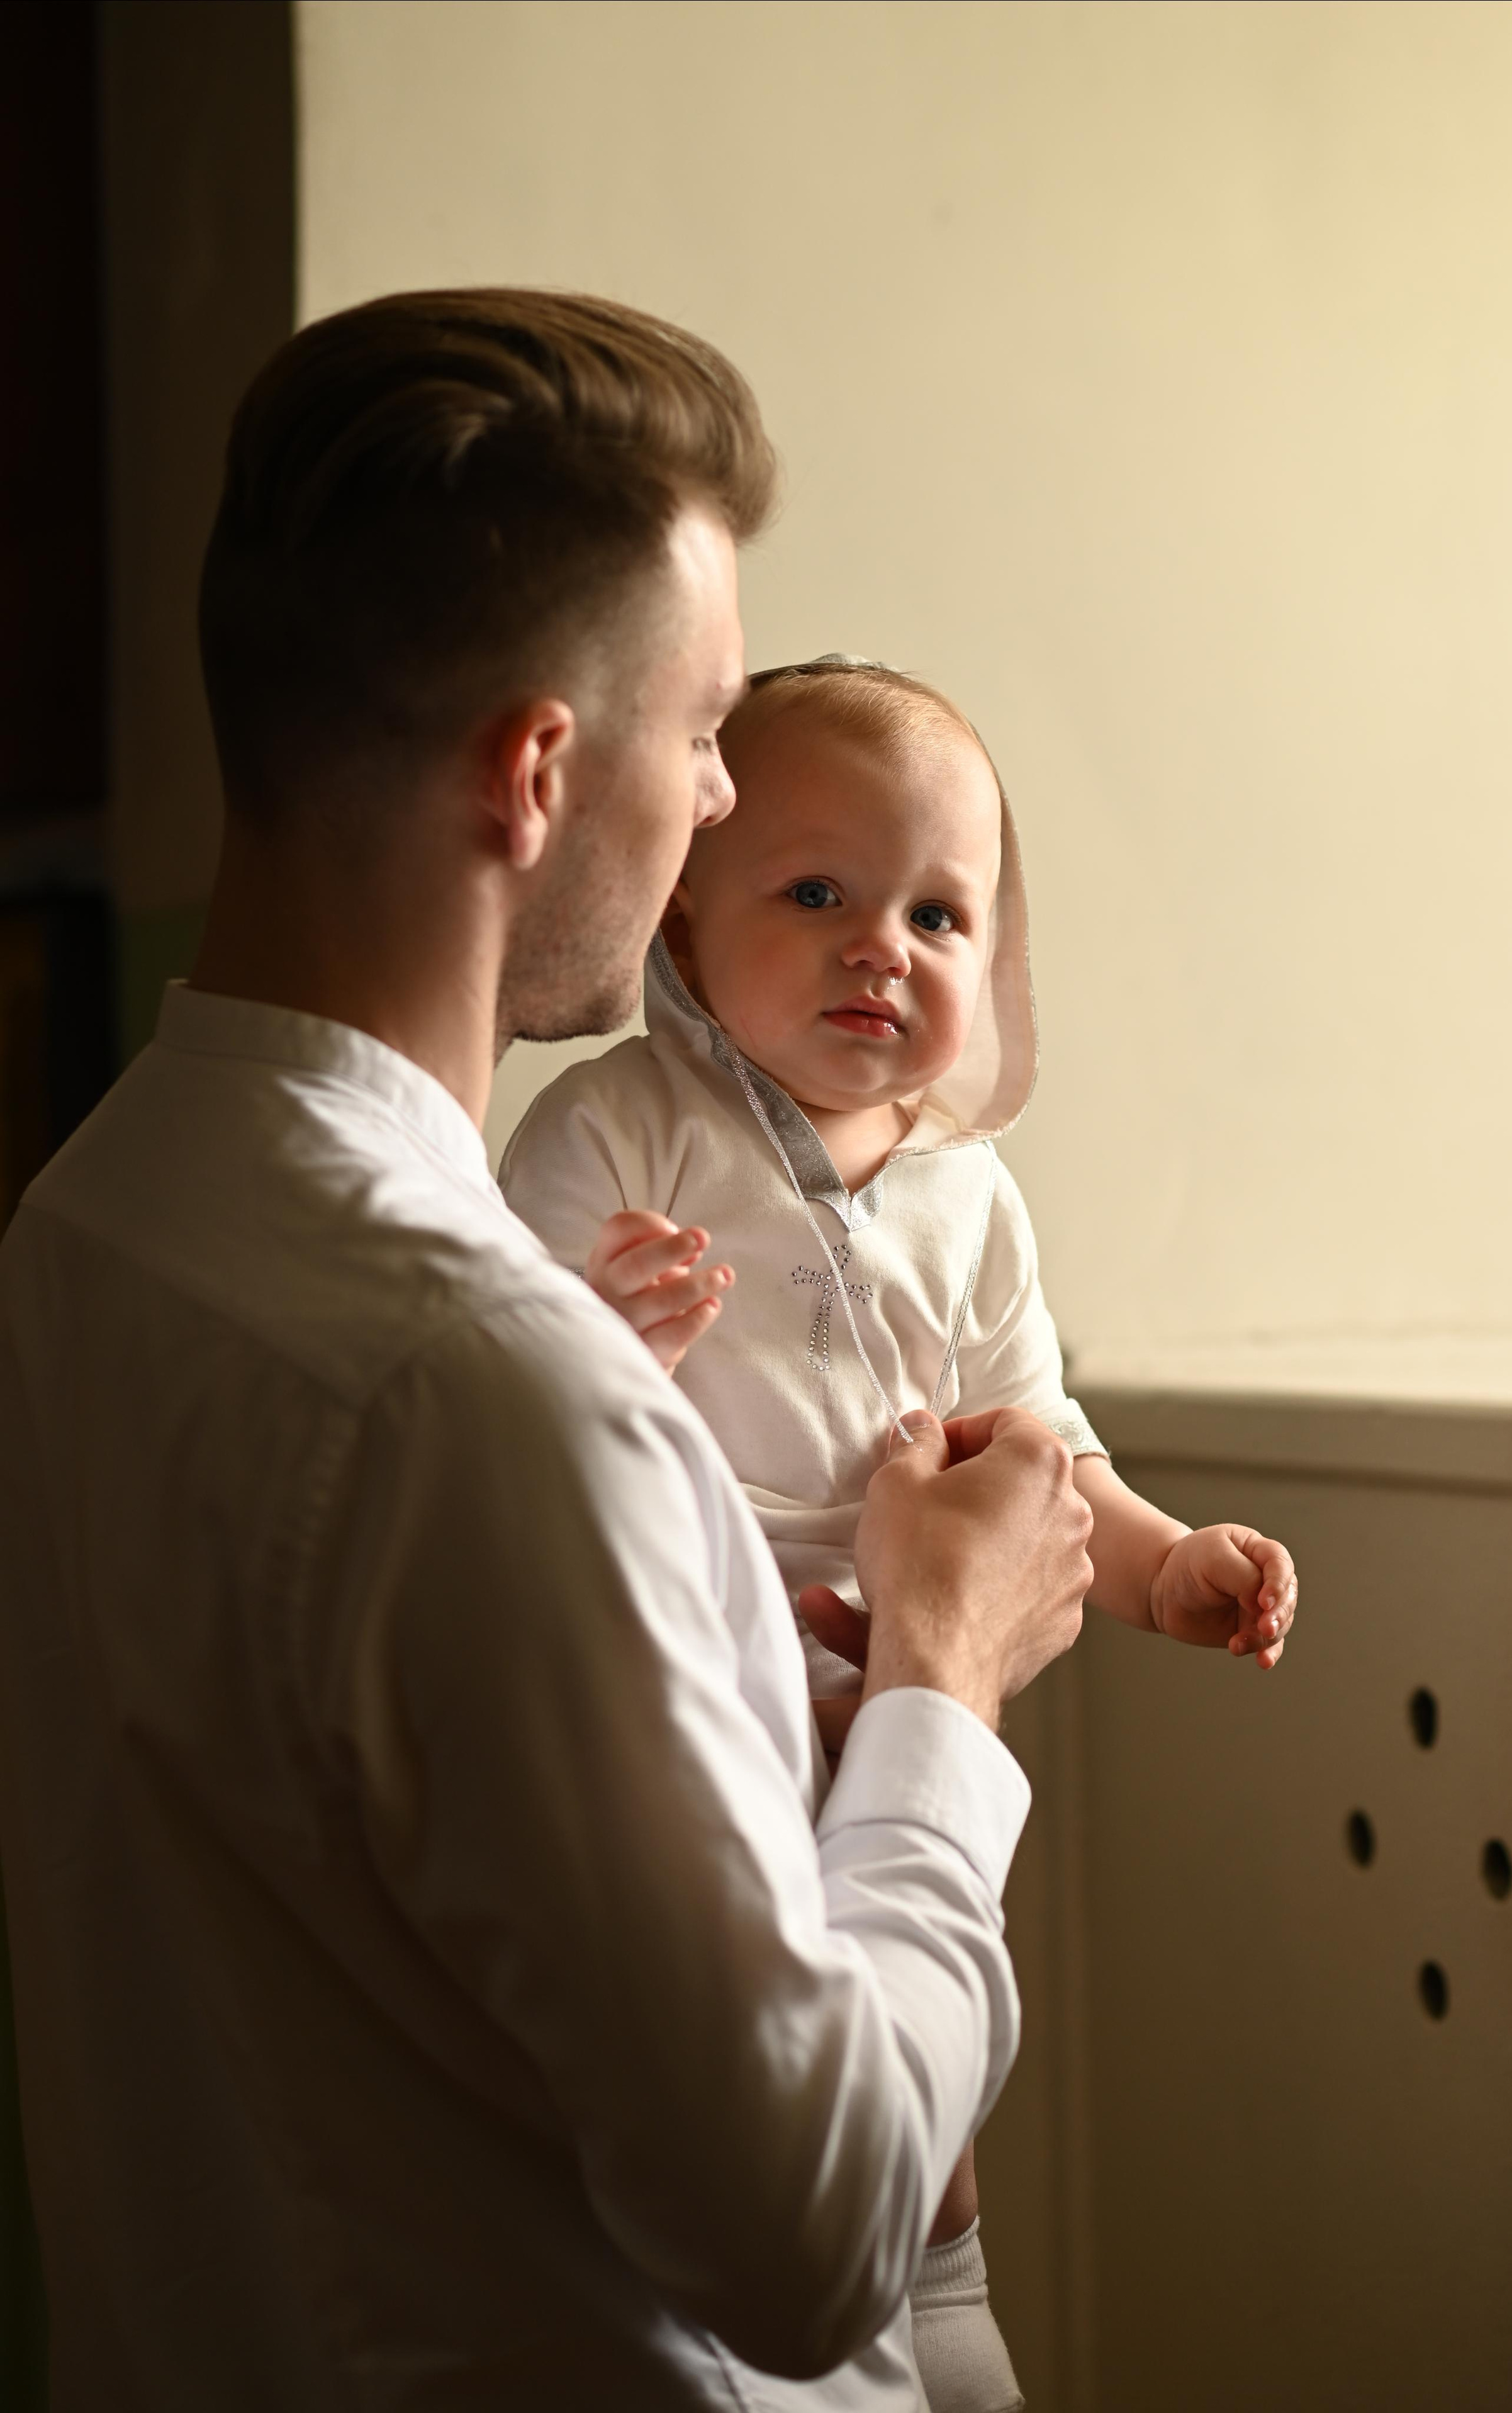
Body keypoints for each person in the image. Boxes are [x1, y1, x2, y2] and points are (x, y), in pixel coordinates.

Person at [0, 290, 1096, 2410]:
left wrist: (699, 1654)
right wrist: (945, 1679)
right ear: (536, 770)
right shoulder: (493, 1391)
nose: (712, 794)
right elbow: (819, 2227)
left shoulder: (88, 1224)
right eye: (701, 732)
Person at [501, 656, 1300, 2410]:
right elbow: (488, 1414)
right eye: (818, 895)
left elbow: (1041, 1445)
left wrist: (1165, 1561)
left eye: (941, 914)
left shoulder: (968, 1197)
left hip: (909, 1684)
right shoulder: (618, 1130)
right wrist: (581, 1330)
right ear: (685, 921)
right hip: (699, 1677)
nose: (886, 947)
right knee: (753, 2042)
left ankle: (948, 2296)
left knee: (917, 2021)